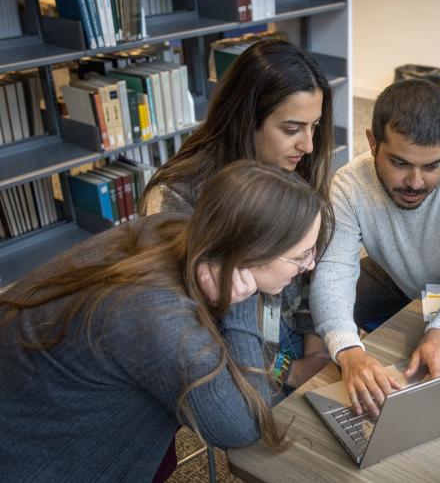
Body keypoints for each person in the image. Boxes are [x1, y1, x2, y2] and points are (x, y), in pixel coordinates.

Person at [0, 161, 330, 480]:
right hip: (40, 458)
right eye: (302, 255)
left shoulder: (169, 227)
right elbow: (244, 426)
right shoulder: (159, 318)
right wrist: (240, 301)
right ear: (251, 253)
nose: (311, 265)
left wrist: (236, 270)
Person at [139, 39, 335, 389]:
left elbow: (310, 269)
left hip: (290, 332)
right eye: (291, 129)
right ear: (247, 119)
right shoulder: (176, 197)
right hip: (234, 357)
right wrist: (291, 371)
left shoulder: (294, 165)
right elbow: (190, 331)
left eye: (314, 126)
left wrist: (317, 346)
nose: (307, 145)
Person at [310, 79, 440, 416]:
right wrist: (349, 351)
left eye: (431, 166)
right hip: (394, 276)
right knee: (310, 315)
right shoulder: (349, 183)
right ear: (372, 142)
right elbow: (334, 269)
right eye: (400, 163)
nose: (415, 182)